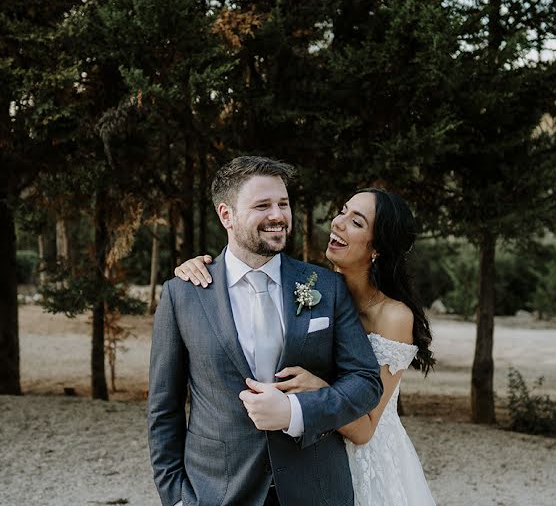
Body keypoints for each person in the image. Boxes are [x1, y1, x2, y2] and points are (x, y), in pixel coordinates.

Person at [176, 187, 437, 505]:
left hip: (367, 462)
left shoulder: (393, 316)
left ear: (378, 247)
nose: (338, 223)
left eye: (356, 222)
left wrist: (317, 389)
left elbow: (366, 427)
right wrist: (204, 269)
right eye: (342, 211)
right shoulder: (313, 287)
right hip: (310, 456)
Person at [148, 156, 383, 506]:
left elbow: (365, 381)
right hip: (219, 492)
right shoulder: (183, 294)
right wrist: (178, 498)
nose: (278, 215)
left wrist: (296, 412)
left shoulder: (327, 287)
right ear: (226, 215)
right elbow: (163, 409)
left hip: (316, 491)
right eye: (263, 205)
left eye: (283, 204)